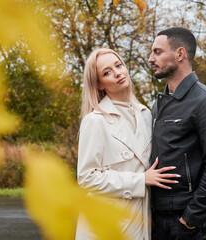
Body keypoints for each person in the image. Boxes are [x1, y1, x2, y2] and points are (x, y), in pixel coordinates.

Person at [76, 48, 179, 240]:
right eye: (107, 72)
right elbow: (86, 178)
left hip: (141, 225)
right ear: (99, 84)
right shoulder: (95, 120)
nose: (117, 73)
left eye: (119, 65)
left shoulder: (146, 114)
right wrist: (140, 180)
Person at [148, 27, 206, 240]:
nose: (150, 59)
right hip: (158, 221)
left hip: (192, 224)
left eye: (157, 52)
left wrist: (190, 220)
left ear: (180, 54)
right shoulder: (157, 105)